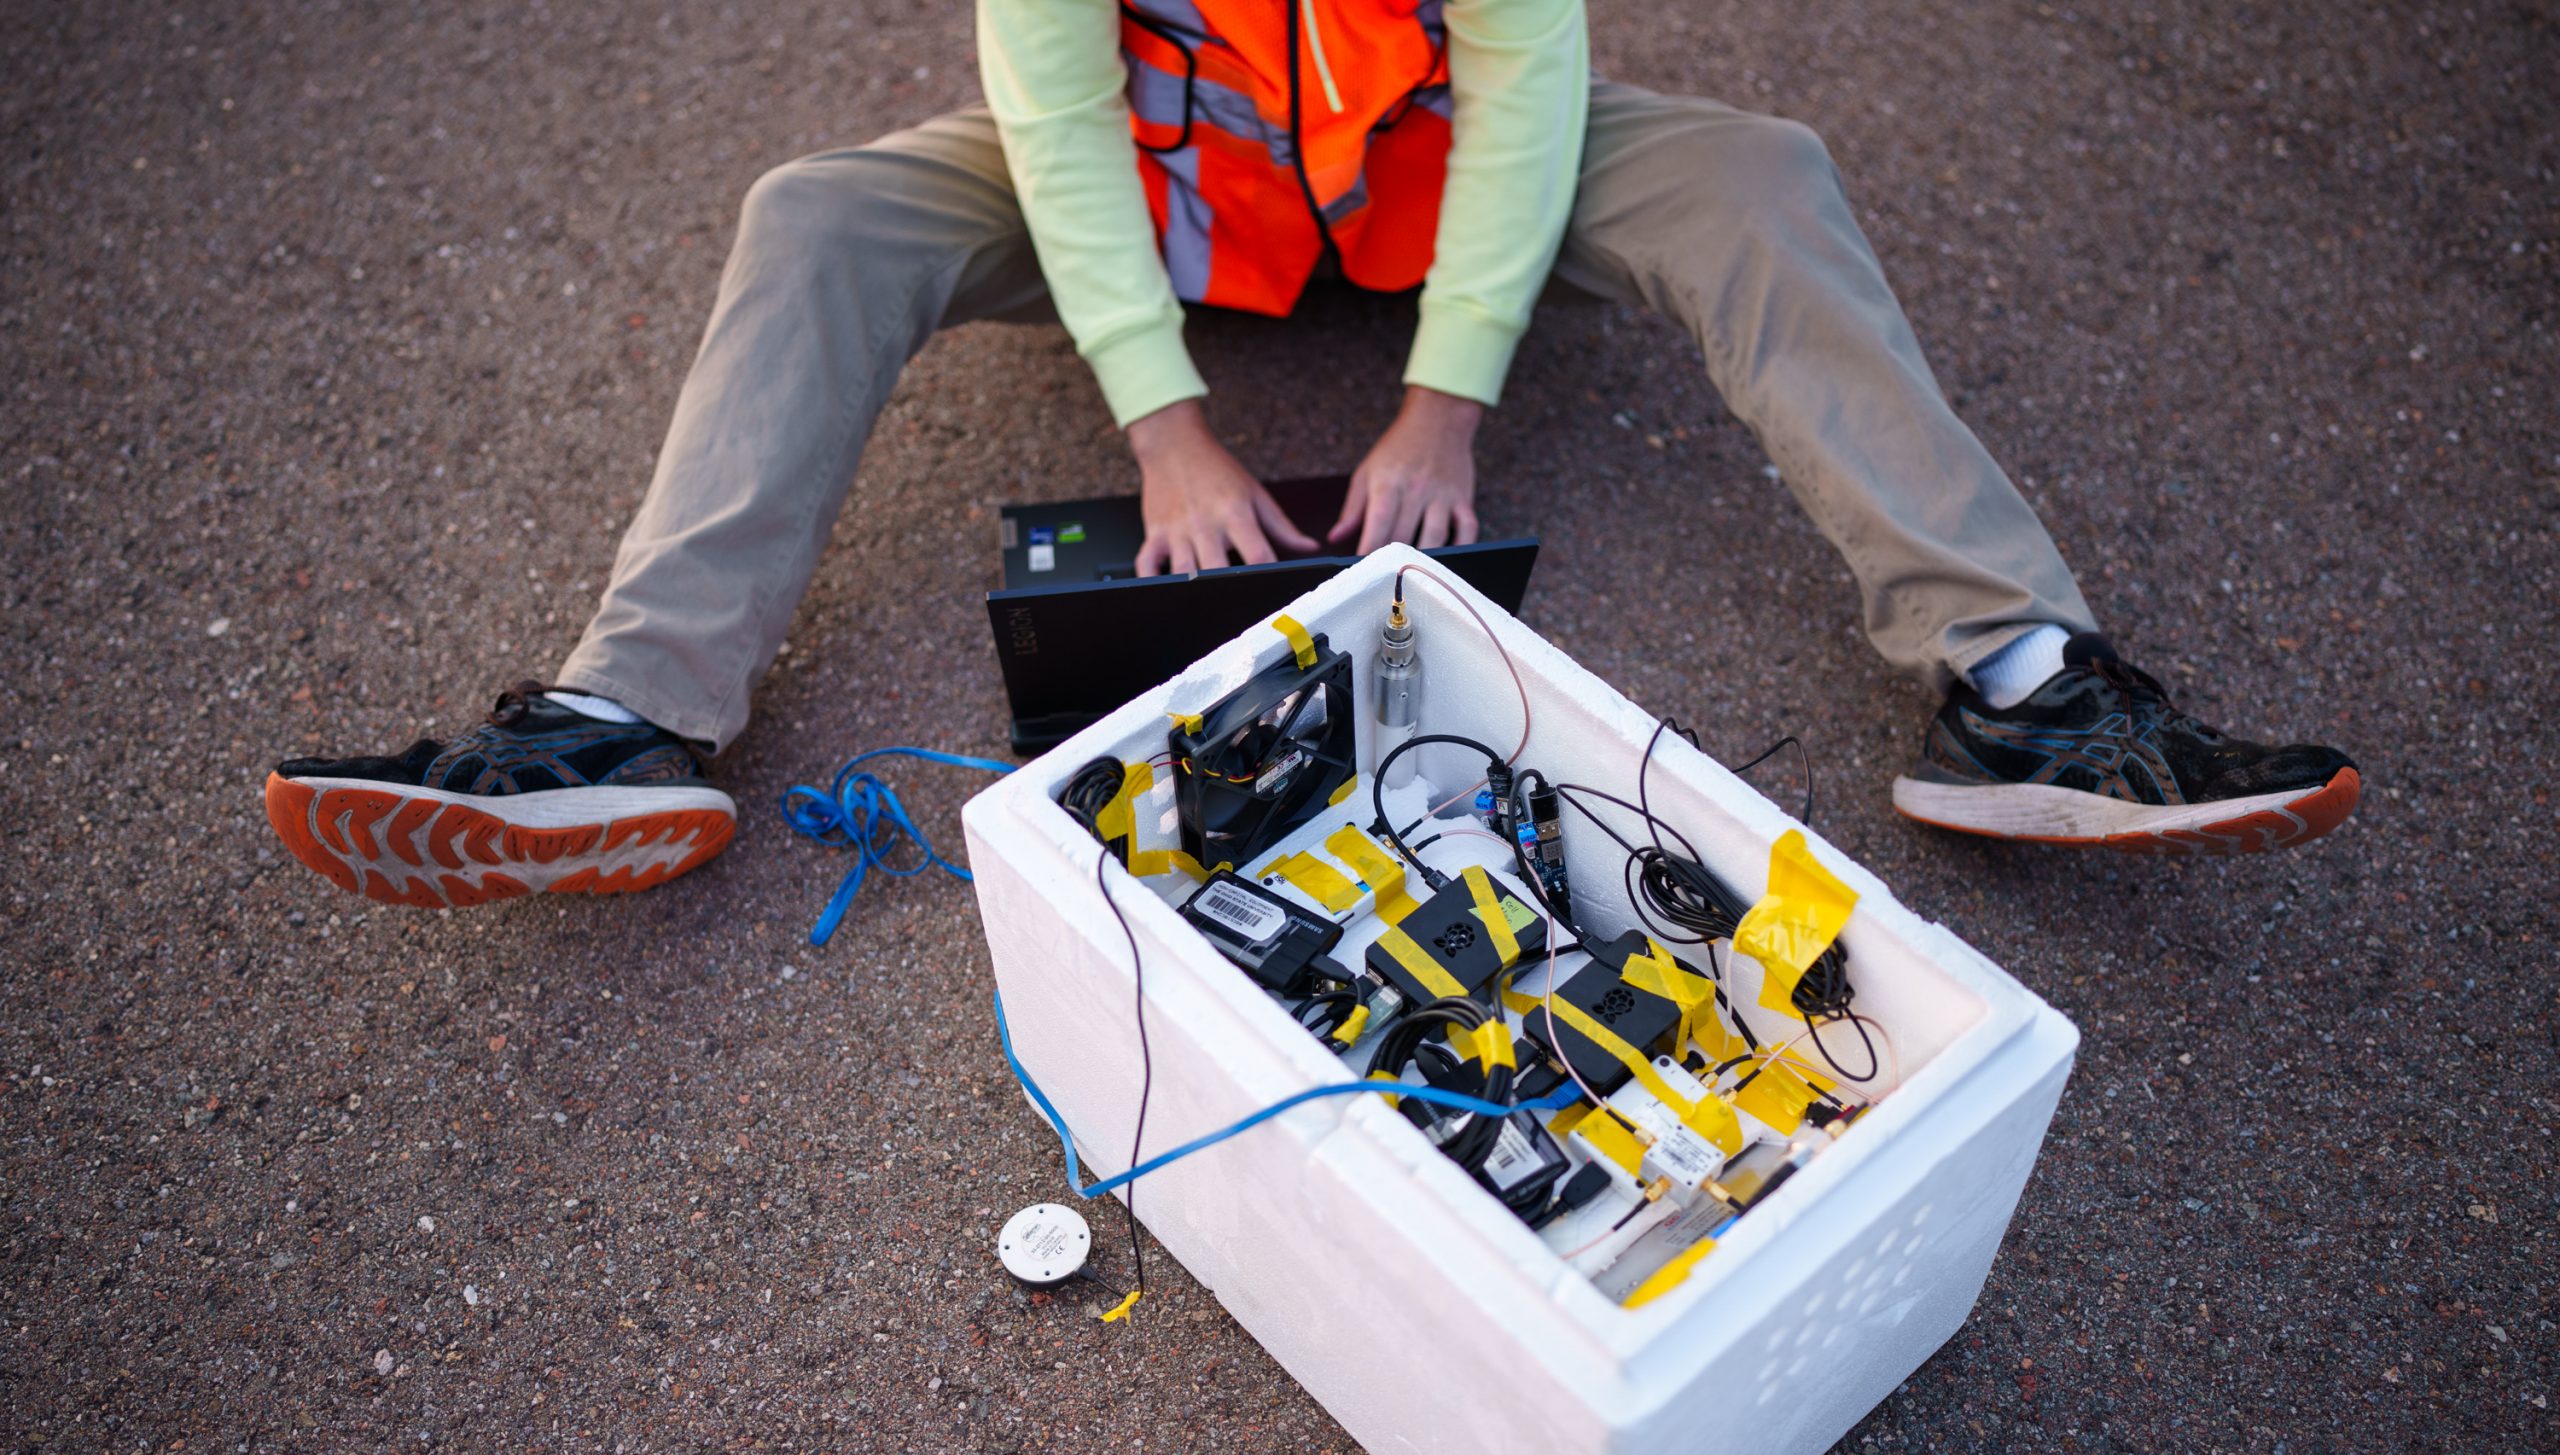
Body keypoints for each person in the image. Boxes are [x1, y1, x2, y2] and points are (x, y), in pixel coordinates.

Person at [263, 0, 2360, 909]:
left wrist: (1444, 395)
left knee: (1751, 172)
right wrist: (1164, 433)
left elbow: (1531, 87)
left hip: (1443, 189)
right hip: (1166, 210)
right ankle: (627, 717)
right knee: (822, 209)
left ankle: (2019, 685)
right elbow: (1065, 132)